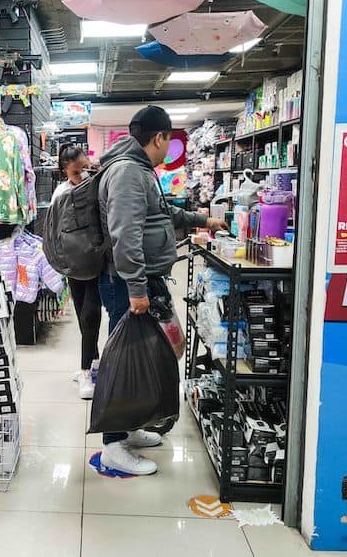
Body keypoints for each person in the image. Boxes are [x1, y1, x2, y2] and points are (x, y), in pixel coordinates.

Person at [97, 105, 228, 475]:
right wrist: (137, 288)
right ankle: (112, 446)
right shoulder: (128, 172)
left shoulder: (140, 170)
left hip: (139, 280)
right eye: (169, 141)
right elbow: (125, 234)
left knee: (144, 357)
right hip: (127, 284)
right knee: (125, 363)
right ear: (158, 138)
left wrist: (203, 220)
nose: (168, 149)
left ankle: (129, 428)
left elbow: (162, 213)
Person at [54, 144, 102, 400]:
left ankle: (86, 370)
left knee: (91, 315)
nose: (82, 175)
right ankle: (93, 363)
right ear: (65, 171)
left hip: (97, 261)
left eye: (85, 168)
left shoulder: (96, 185)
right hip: (74, 264)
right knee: (84, 317)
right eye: (76, 172)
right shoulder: (61, 193)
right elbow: (53, 231)